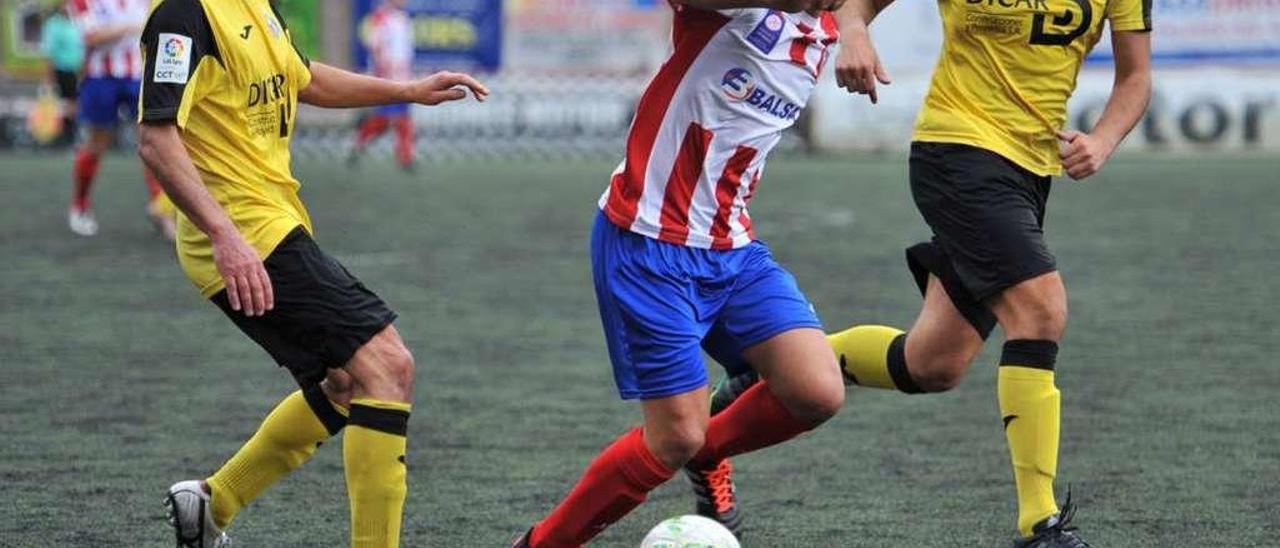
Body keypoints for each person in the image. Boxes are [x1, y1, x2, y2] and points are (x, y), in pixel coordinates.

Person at [698, 0, 1153, 545]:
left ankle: (771, 368)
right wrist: (853, 32)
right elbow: (854, 7)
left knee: (932, 363)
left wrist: (1102, 139)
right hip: (957, 151)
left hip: (1031, 171)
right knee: (1041, 309)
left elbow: (1136, 75)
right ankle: (1041, 526)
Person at [134, 0, 488, 546]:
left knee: (346, 385)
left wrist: (408, 90)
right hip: (242, 232)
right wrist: (225, 236)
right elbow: (157, 138)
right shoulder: (183, 15)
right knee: (388, 368)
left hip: (273, 223)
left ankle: (209, 503)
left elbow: (303, 78)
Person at [513, 1, 849, 546]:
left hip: (733, 247)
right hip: (648, 246)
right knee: (673, 437)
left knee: (817, 392)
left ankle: (709, 451)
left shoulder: (833, 21)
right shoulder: (728, 12)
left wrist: (856, 30)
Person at [66, 0, 175, 239]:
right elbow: (91, 36)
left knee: (156, 142)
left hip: (138, 75)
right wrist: (133, 26)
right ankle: (81, 205)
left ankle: (161, 208)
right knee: (96, 144)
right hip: (99, 78)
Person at [348, 0, 417, 171]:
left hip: (403, 77)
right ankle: (359, 144)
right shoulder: (380, 16)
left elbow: (405, 50)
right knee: (384, 120)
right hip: (387, 77)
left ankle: (406, 156)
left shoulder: (403, 18)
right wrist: (385, 68)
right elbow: (375, 45)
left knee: (404, 119)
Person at [39, 3, 84, 148]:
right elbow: (48, 52)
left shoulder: (76, 22)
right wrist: (49, 78)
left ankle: (70, 134)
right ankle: (59, 137)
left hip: (74, 71)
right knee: (61, 105)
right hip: (60, 70)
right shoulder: (53, 25)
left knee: (73, 104)